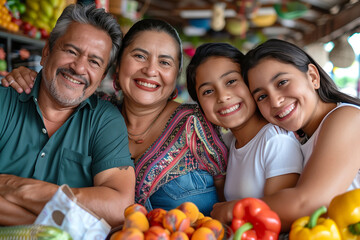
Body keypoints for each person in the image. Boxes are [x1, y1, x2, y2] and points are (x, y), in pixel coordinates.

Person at [3, 19, 228, 216]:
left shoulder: (195, 123)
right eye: (140, 56)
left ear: (175, 76)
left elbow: (228, 196)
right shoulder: (95, 110)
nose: (151, 70)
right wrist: (28, 78)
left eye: (165, 62)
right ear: (117, 66)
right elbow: (62, 85)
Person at [0, 3, 135, 227]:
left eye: (94, 61)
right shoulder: (4, 101)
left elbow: (118, 207)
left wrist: (17, 187)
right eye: (71, 51)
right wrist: (68, 223)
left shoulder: (104, 121)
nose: (79, 68)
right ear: (46, 52)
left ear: (101, 77)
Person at [213, 38, 360, 231]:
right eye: (262, 96)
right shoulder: (302, 136)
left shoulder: (347, 118)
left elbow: (307, 204)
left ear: (313, 77)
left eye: (282, 82)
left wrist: (231, 209)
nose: (275, 101)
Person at [186, 42, 303, 212]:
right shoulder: (225, 143)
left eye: (231, 81)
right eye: (208, 91)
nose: (223, 97)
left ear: (251, 83)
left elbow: (278, 217)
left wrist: (226, 211)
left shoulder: (276, 141)